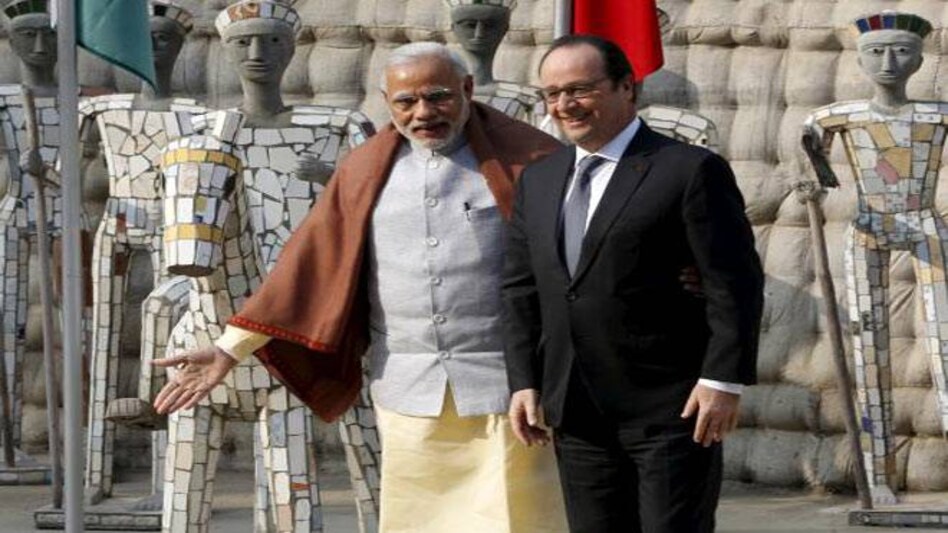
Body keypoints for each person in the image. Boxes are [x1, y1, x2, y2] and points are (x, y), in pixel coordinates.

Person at [151, 42, 570, 533]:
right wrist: (227, 349)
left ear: (468, 90)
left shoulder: (536, 161)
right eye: (406, 102)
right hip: (408, 391)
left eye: (438, 97)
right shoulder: (363, 170)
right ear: (386, 103)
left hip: (512, 392)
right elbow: (307, 268)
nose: (423, 113)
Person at [503, 35, 764, 533]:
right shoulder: (538, 181)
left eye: (579, 89)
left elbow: (735, 282)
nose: (564, 105)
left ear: (627, 87)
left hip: (670, 406)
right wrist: (525, 380)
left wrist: (722, 380)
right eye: (552, 93)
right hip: (575, 408)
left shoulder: (689, 170)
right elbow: (520, 288)